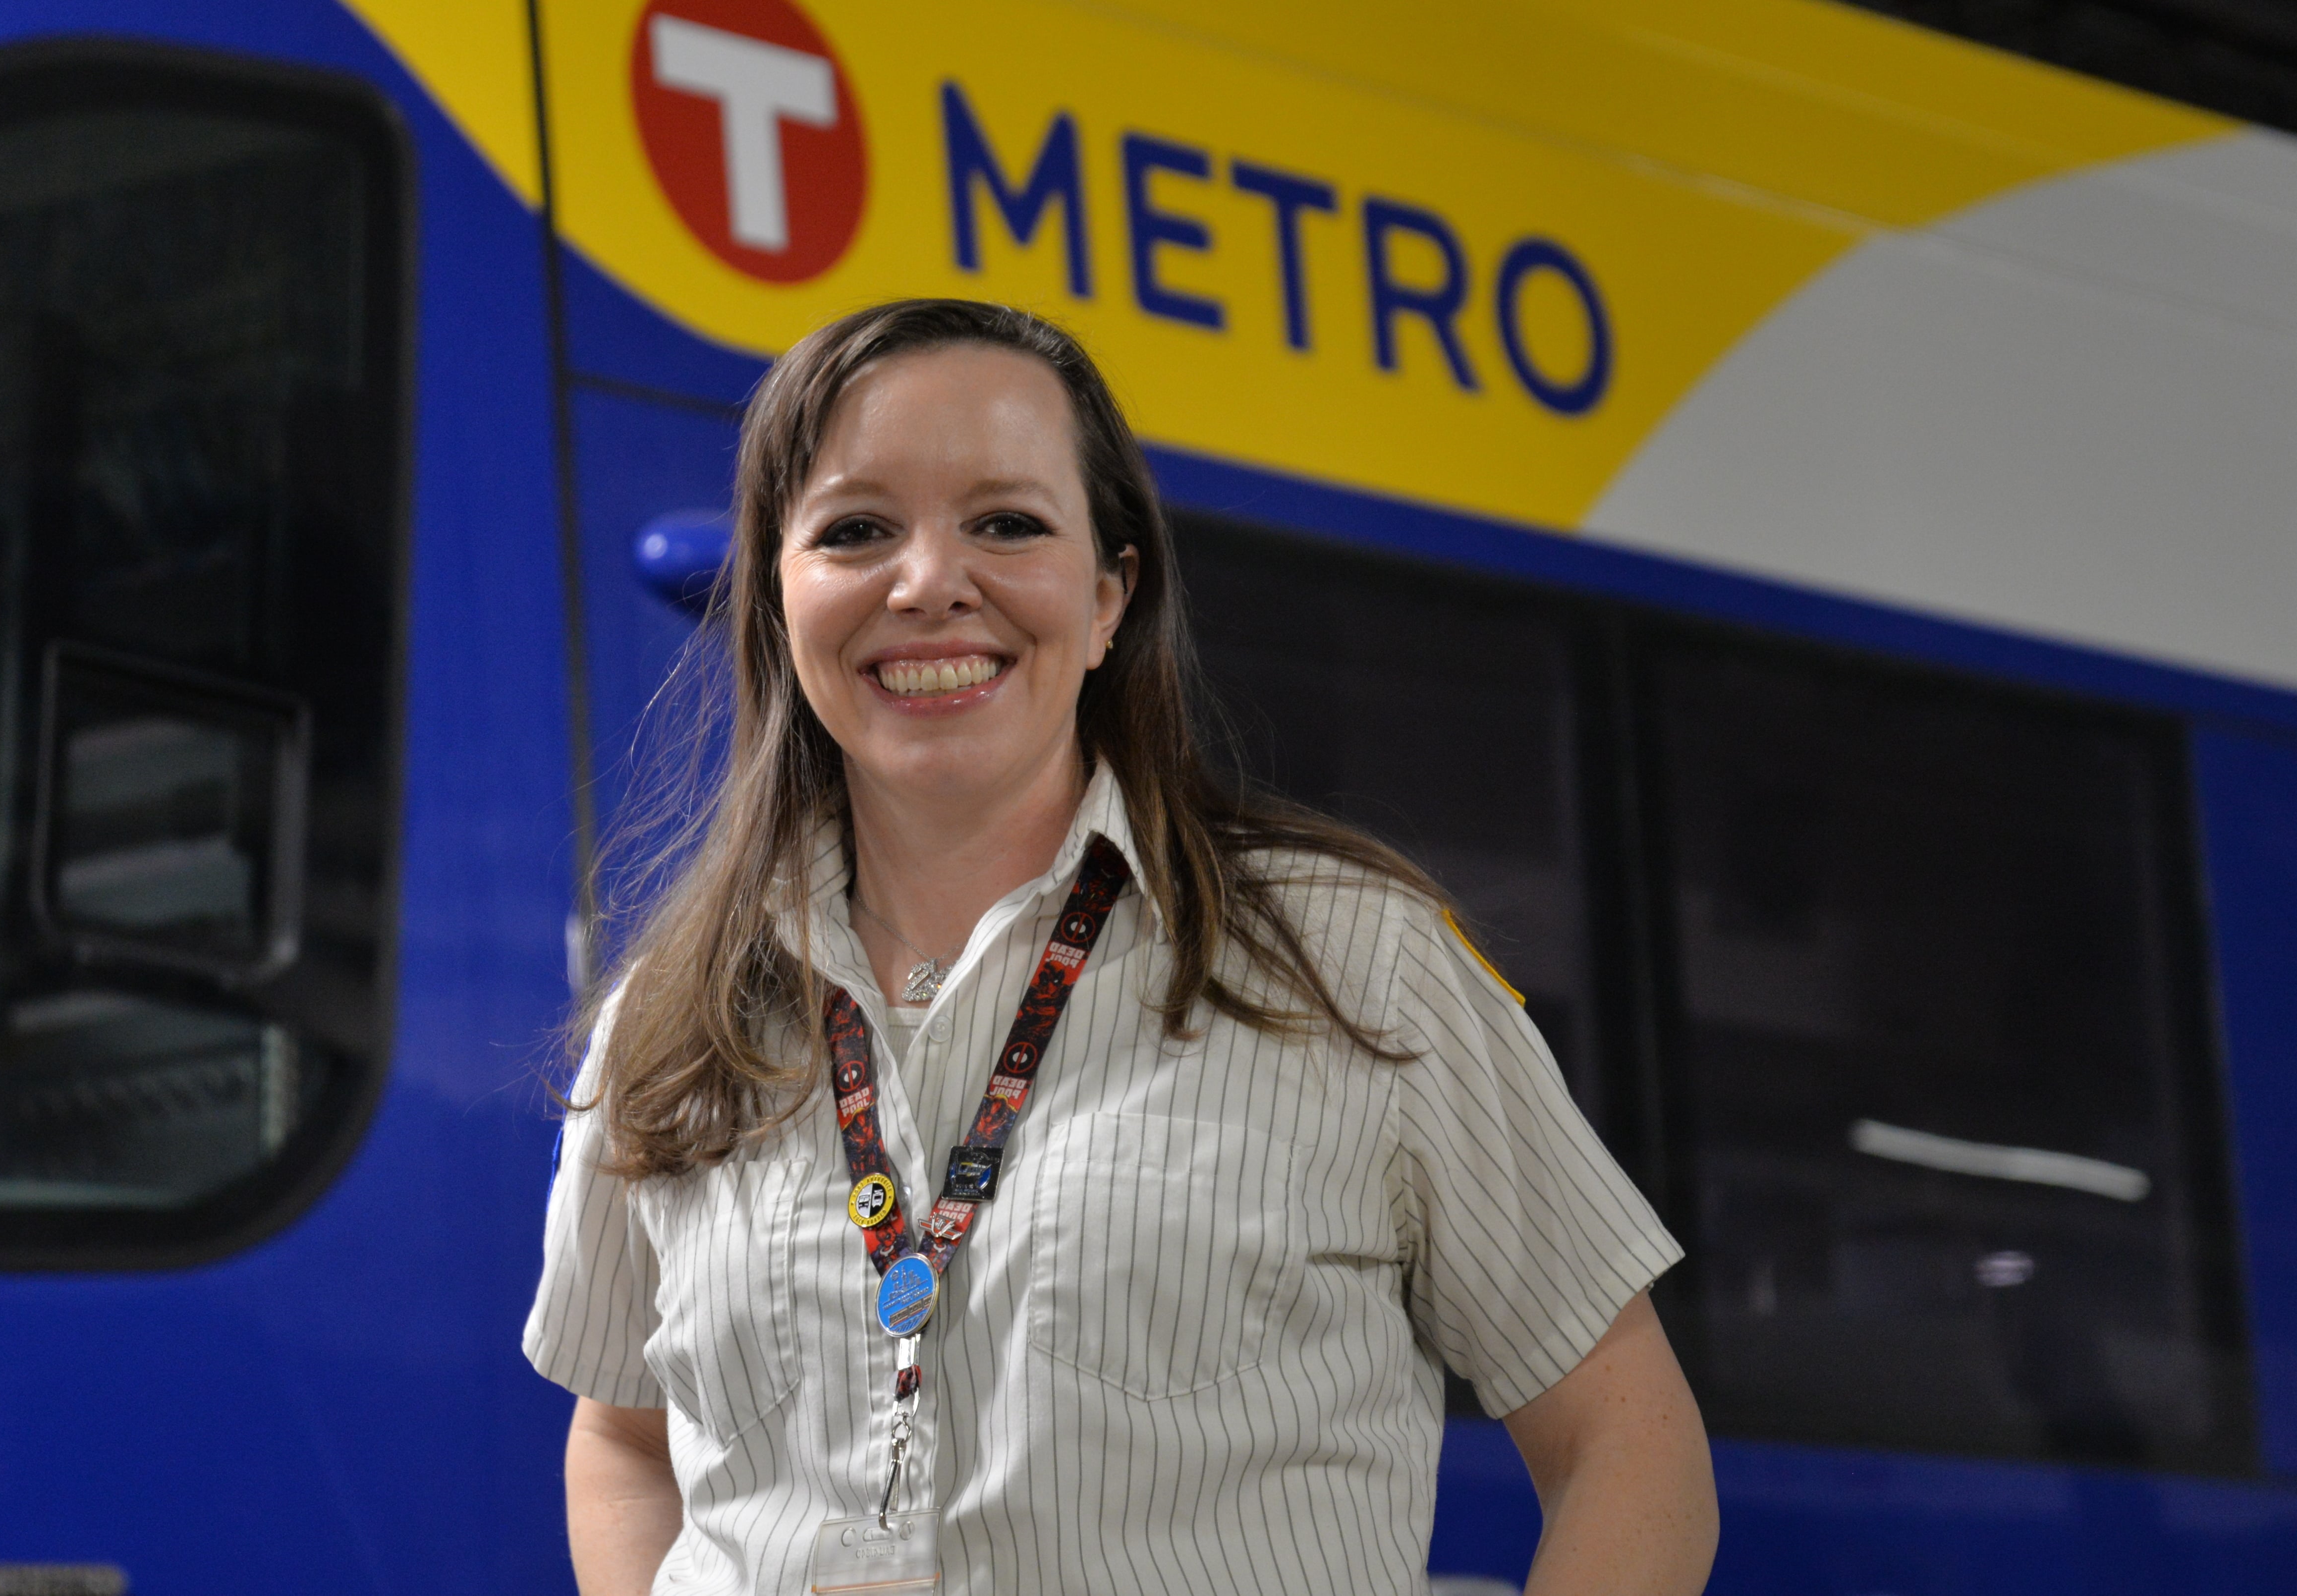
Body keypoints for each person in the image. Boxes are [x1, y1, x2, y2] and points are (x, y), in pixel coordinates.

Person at [525, 299, 1717, 1596]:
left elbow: (1625, 1445)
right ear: (778, 602)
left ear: (1107, 600)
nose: (928, 583)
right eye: (855, 530)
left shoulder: (1356, 968)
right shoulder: (670, 1021)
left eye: (1007, 524)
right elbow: (624, 1443)